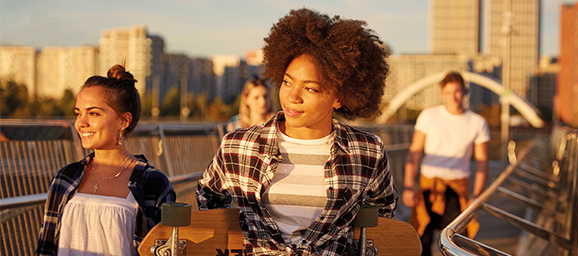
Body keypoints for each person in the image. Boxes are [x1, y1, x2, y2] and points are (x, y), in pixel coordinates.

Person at [196, 8, 396, 255]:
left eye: (310, 88)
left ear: (339, 98)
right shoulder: (238, 145)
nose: (292, 97)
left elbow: (382, 211)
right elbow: (209, 196)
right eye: (287, 82)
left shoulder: (367, 152)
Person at [35, 65, 176, 256]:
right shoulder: (65, 177)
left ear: (123, 121)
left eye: (93, 113)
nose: (81, 123)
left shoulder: (153, 183)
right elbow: (46, 247)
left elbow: (166, 249)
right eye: (78, 113)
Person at [402, 71, 490, 256]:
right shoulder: (429, 115)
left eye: (457, 91)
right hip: (428, 187)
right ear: (442, 93)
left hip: (457, 190)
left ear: (465, 92)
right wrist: (409, 185)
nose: (453, 96)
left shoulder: (478, 122)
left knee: (457, 243)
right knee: (420, 239)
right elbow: (414, 152)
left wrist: (476, 195)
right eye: (449, 92)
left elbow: (482, 162)